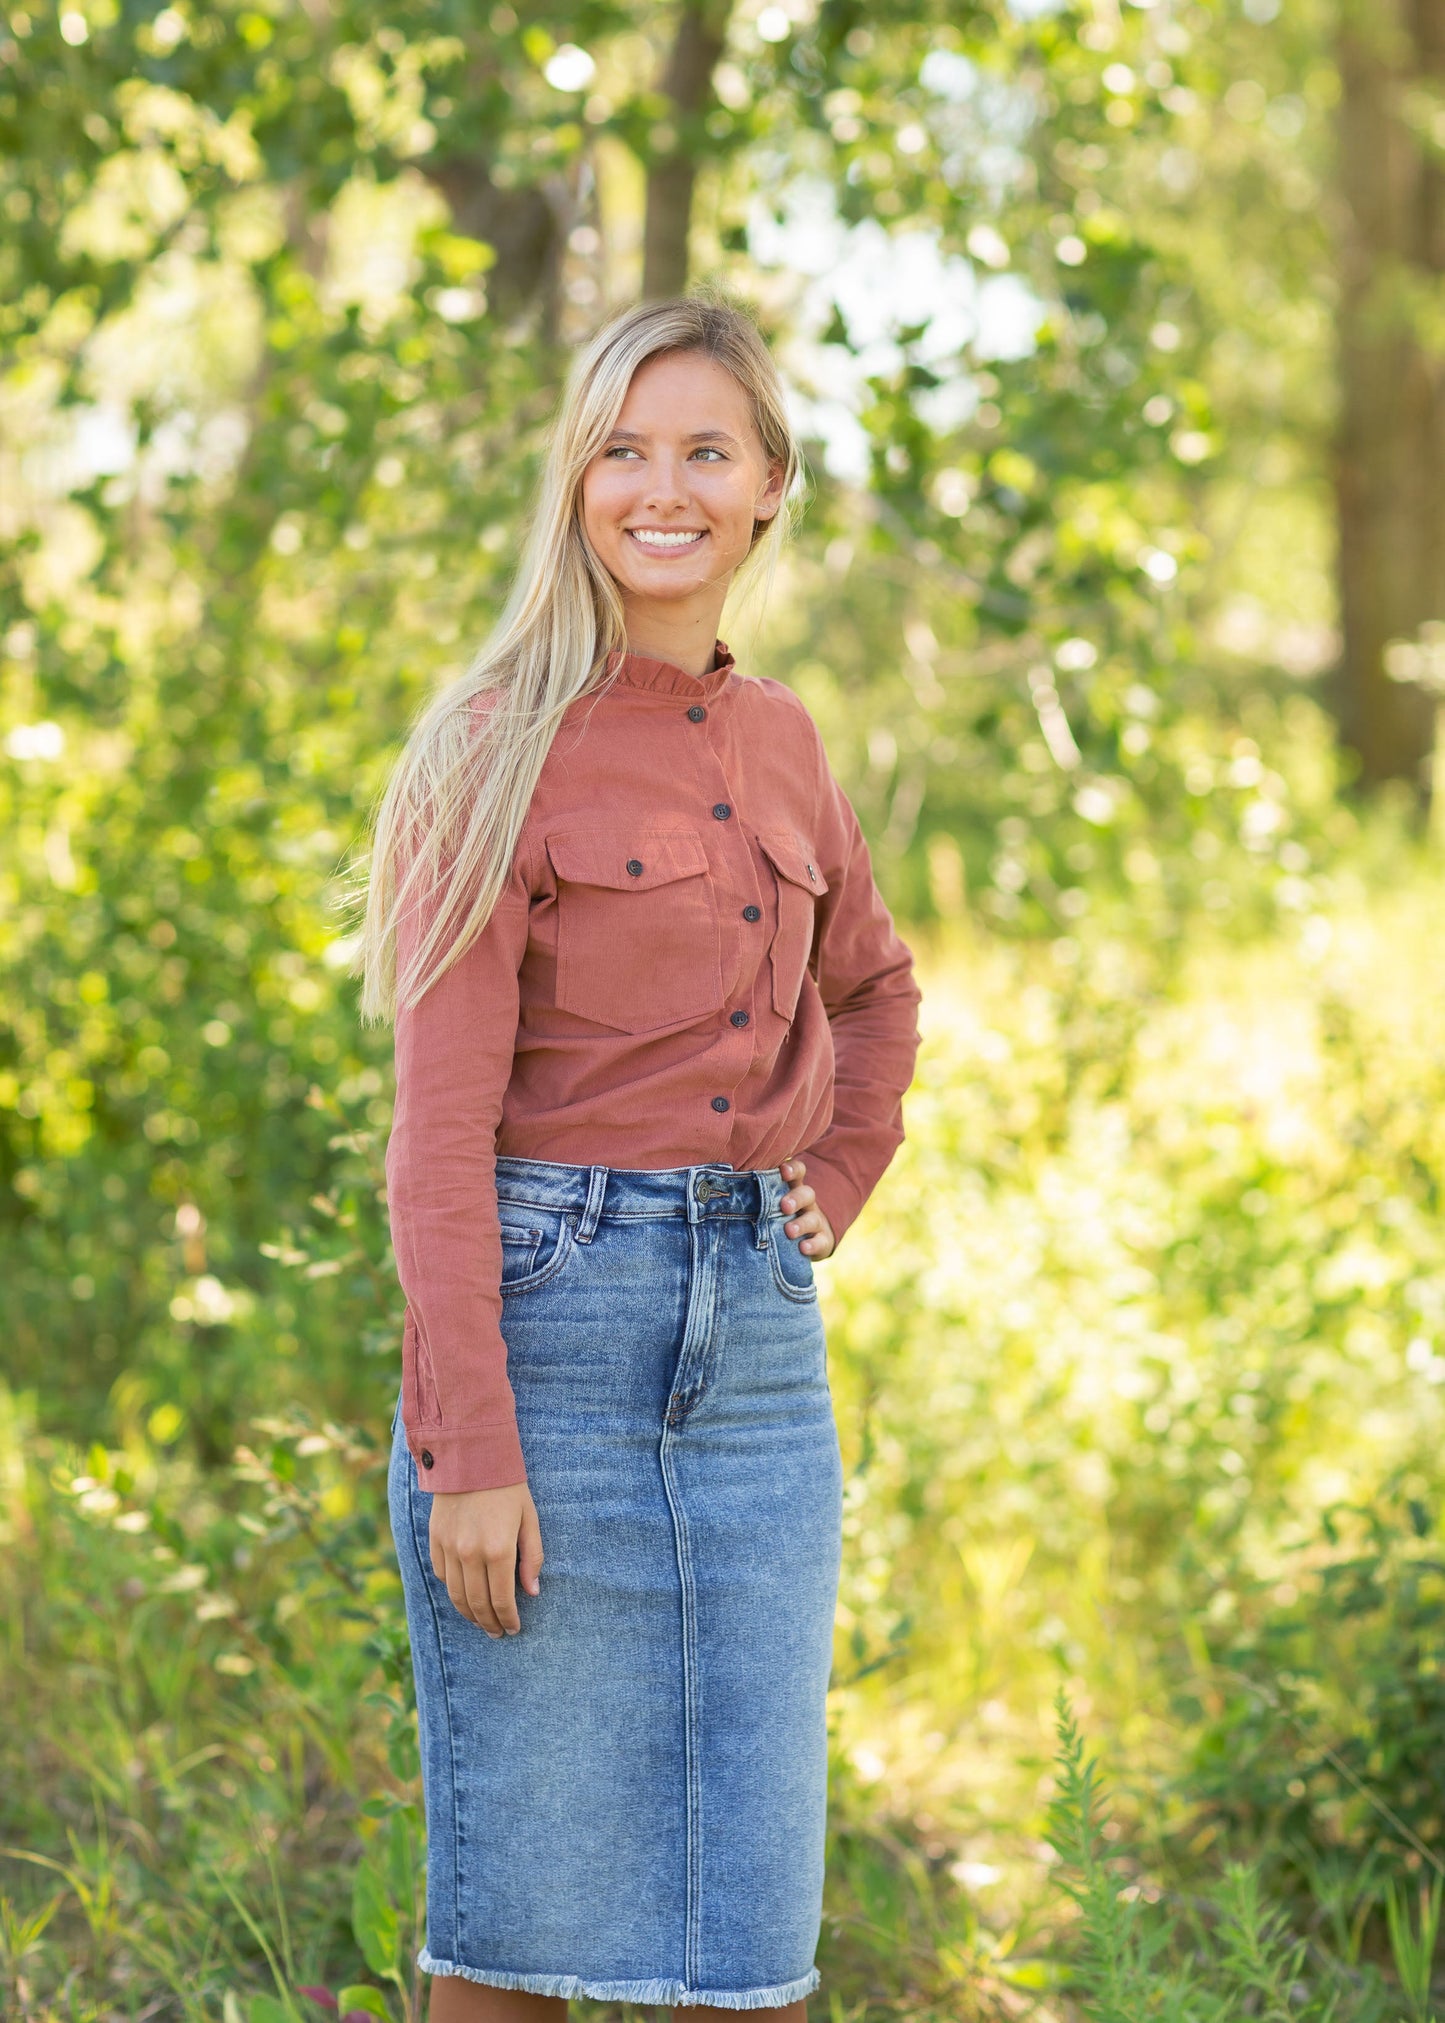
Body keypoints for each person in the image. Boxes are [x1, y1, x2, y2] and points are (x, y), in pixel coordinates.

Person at [358, 295, 922, 2022]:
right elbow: (438, 1137)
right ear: (574, 484)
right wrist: (473, 1450)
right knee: (516, 1939)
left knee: (755, 1957)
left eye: (702, 450)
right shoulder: (490, 744)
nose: (657, 486)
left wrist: (832, 1171)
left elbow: (879, 988)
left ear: (769, 488)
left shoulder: (785, 741)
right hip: (550, 1344)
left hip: (757, 1374)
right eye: (619, 447)